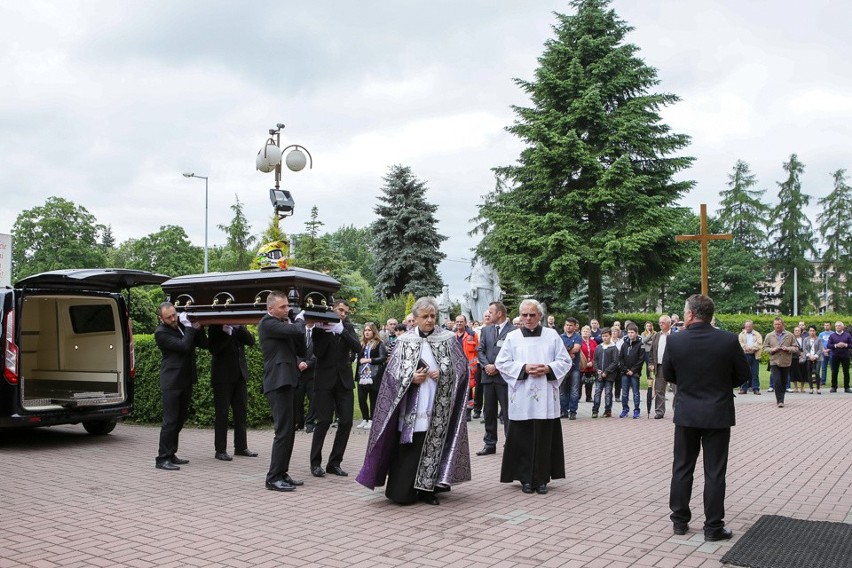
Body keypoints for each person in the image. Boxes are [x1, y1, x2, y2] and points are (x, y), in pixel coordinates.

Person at [356, 297, 471, 505]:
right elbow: (391, 374)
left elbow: (463, 369)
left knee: (433, 442)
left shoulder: (448, 338)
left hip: (438, 400)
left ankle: (429, 490)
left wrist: (444, 373)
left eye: (432, 316)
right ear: (415, 318)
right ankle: (404, 490)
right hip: (411, 403)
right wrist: (411, 379)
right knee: (411, 445)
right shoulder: (403, 341)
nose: (429, 320)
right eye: (424, 316)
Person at [662, 294, 751, 542]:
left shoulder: (675, 341)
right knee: (715, 471)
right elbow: (743, 374)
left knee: (682, 468)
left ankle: (679, 522)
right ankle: (713, 527)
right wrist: (722, 385)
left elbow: (669, 374)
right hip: (717, 413)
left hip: (687, 412)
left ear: (690, 314)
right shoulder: (728, 340)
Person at [496, 299, 571, 495]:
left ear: (540, 316)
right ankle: (525, 479)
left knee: (544, 438)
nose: (528, 318)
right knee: (522, 438)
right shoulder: (512, 338)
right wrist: (523, 368)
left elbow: (565, 361)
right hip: (521, 396)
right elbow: (501, 363)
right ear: (520, 316)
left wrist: (548, 368)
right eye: (525, 315)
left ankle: (542, 478)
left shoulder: (552, 335)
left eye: (532, 315)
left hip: (545, 396)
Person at [258, 290, 306, 491]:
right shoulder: (267, 323)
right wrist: (299, 320)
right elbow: (297, 330)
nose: (287, 309)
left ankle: (282, 472)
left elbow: (301, 348)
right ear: (271, 309)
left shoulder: (285, 325)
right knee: (282, 431)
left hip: (288, 380)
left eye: (288, 306)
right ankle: (273, 477)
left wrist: (295, 323)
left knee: (289, 431)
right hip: (277, 382)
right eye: (283, 307)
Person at [154, 302, 208, 471]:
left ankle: (171, 453)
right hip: (171, 381)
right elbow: (184, 346)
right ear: (161, 318)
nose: (173, 319)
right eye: (169, 317)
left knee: (179, 420)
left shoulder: (182, 327)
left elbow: (202, 344)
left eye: (174, 315)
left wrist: (198, 328)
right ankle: (162, 458)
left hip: (185, 379)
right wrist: (189, 328)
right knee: (170, 421)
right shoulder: (161, 332)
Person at [310, 300, 361, 478]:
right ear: (333, 309)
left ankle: (335, 462)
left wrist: (343, 332)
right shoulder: (319, 327)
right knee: (323, 422)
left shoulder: (347, 326)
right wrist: (326, 331)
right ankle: (315, 463)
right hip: (324, 381)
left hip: (344, 381)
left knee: (346, 422)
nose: (343, 314)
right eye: (340, 310)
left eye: (346, 312)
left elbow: (358, 347)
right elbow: (318, 353)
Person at [208, 324, 258, 461]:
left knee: (241, 413)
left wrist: (239, 327)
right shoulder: (216, 327)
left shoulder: (239, 326)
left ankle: (241, 447)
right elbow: (214, 349)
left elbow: (251, 341)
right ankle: (220, 450)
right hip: (222, 377)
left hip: (240, 375)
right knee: (222, 414)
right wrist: (227, 333)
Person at [475, 301, 511, 456]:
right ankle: (490, 443)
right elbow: (480, 350)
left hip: (504, 378)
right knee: (489, 412)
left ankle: (510, 444)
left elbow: (512, 353)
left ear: (499, 313)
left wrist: (497, 367)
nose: (488, 314)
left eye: (491, 311)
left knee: (508, 413)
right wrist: (486, 366)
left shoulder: (514, 331)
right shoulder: (486, 330)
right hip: (488, 377)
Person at [355, 322, 387, 430]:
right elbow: (358, 358)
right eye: (365, 330)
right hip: (362, 375)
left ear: (373, 332)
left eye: (369, 330)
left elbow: (383, 357)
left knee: (373, 398)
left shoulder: (379, 343)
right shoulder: (362, 344)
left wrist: (370, 360)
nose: (367, 332)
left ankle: (372, 419)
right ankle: (365, 418)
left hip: (374, 375)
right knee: (361, 398)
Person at [763, 317, 797, 408]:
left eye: (778, 324)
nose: (777, 326)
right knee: (777, 380)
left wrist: (788, 349)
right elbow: (765, 348)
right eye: (775, 324)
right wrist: (772, 349)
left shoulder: (790, 335)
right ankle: (780, 400)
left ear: (783, 324)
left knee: (783, 381)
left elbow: (796, 347)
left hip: (786, 361)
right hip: (774, 361)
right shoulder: (769, 335)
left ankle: (782, 397)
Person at [454, 315, 480, 420]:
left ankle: (468, 412)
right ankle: (460, 412)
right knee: (458, 389)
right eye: (457, 322)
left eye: (461, 321)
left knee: (469, 389)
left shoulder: (472, 335)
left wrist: (477, 364)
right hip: (457, 367)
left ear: (465, 323)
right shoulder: (452, 336)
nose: (459, 323)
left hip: (469, 368)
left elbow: (478, 350)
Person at [649, 315, 674, 419]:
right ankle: (659, 412)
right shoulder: (656, 336)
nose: (660, 324)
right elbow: (651, 351)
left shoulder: (674, 335)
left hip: (673, 367)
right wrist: (651, 363)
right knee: (659, 390)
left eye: (663, 322)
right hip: (659, 366)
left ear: (669, 323)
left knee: (677, 390)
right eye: (659, 322)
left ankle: (677, 411)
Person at [294, 322, 317, 433]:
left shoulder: (319, 332)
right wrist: (299, 363)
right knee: (298, 399)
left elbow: (318, 352)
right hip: (299, 372)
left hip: (313, 373)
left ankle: (310, 423)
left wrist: (308, 363)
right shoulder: (299, 332)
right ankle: (299, 422)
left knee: (313, 399)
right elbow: (294, 349)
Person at [618, 323, 644, 419]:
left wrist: (632, 371)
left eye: (632, 332)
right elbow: (620, 358)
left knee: (636, 392)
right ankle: (625, 409)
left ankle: (636, 410)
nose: (630, 334)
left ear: (636, 333)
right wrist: (625, 369)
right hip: (625, 372)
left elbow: (640, 360)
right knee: (624, 392)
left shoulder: (640, 345)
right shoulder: (624, 344)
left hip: (635, 373)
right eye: (628, 332)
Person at [592, 328, 619, 418]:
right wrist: (597, 369)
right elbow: (595, 360)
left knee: (608, 393)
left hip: (609, 375)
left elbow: (615, 362)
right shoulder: (598, 347)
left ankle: (608, 410)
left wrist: (606, 372)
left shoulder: (614, 348)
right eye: (603, 336)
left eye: (606, 336)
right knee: (597, 392)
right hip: (599, 374)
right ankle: (595, 410)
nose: (604, 338)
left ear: (610, 336)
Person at [559, 318, 582, 420]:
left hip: (575, 367)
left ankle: (573, 411)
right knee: (562, 391)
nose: (568, 327)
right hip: (563, 368)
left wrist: (565, 350)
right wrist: (569, 352)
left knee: (574, 390)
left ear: (574, 326)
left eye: (571, 325)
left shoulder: (577, 337)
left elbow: (576, 349)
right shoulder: (560, 337)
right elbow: (559, 350)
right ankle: (563, 411)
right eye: (567, 325)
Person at [738, 320, 763, 395]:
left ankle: (755, 388)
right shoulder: (741, 334)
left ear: (752, 326)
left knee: (755, 373)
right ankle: (743, 388)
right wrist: (746, 348)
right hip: (744, 355)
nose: (747, 328)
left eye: (749, 326)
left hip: (754, 355)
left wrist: (751, 348)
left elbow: (759, 344)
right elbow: (740, 343)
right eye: (746, 326)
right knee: (744, 372)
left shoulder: (757, 334)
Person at [827, 321, 852, 393]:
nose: (837, 327)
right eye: (836, 326)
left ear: (843, 327)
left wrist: (845, 345)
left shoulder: (847, 335)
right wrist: (836, 345)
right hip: (835, 356)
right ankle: (834, 387)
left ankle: (847, 387)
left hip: (845, 356)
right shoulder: (832, 336)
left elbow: (851, 344)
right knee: (834, 371)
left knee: (846, 372)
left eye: (839, 325)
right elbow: (829, 345)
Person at [802, 325, 824, 395]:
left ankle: (818, 388)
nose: (812, 332)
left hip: (818, 358)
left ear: (815, 331)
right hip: (809, 358)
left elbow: (821, 349)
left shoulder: (819, 339)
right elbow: (804, 349)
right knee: (809, 373)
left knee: (817, 372)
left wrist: (815, 356)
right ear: (808, 332)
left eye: (813, 331)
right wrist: (809, 355)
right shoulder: (806, 339)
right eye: (810, 331)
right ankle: (811, 388)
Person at [579, 325, 597, 403]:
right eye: (584, 331)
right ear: (581, 332)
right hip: (581, 365)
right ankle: (578, 397)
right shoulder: (579, 341)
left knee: (589, 382)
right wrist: (584, 363)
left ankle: (589, 397)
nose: (586, 333)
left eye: (587, 331)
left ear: (590, 333)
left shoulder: (593, 342)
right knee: (579, 382)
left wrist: (592, 362)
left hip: (591, 366)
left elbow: (596, 353)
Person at [818, 321, 833, 386]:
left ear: (830, 326)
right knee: (823, 368)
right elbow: (819, 343)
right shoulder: (821, 334)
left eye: (827, 325)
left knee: (833, 368)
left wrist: (828, 350)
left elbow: (834, 343)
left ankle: (833, 381)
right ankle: (823, 381)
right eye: (825, 325)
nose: (826, 326)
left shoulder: (833, 333)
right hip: (823, 353)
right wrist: (824, 351)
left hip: (832, 353)